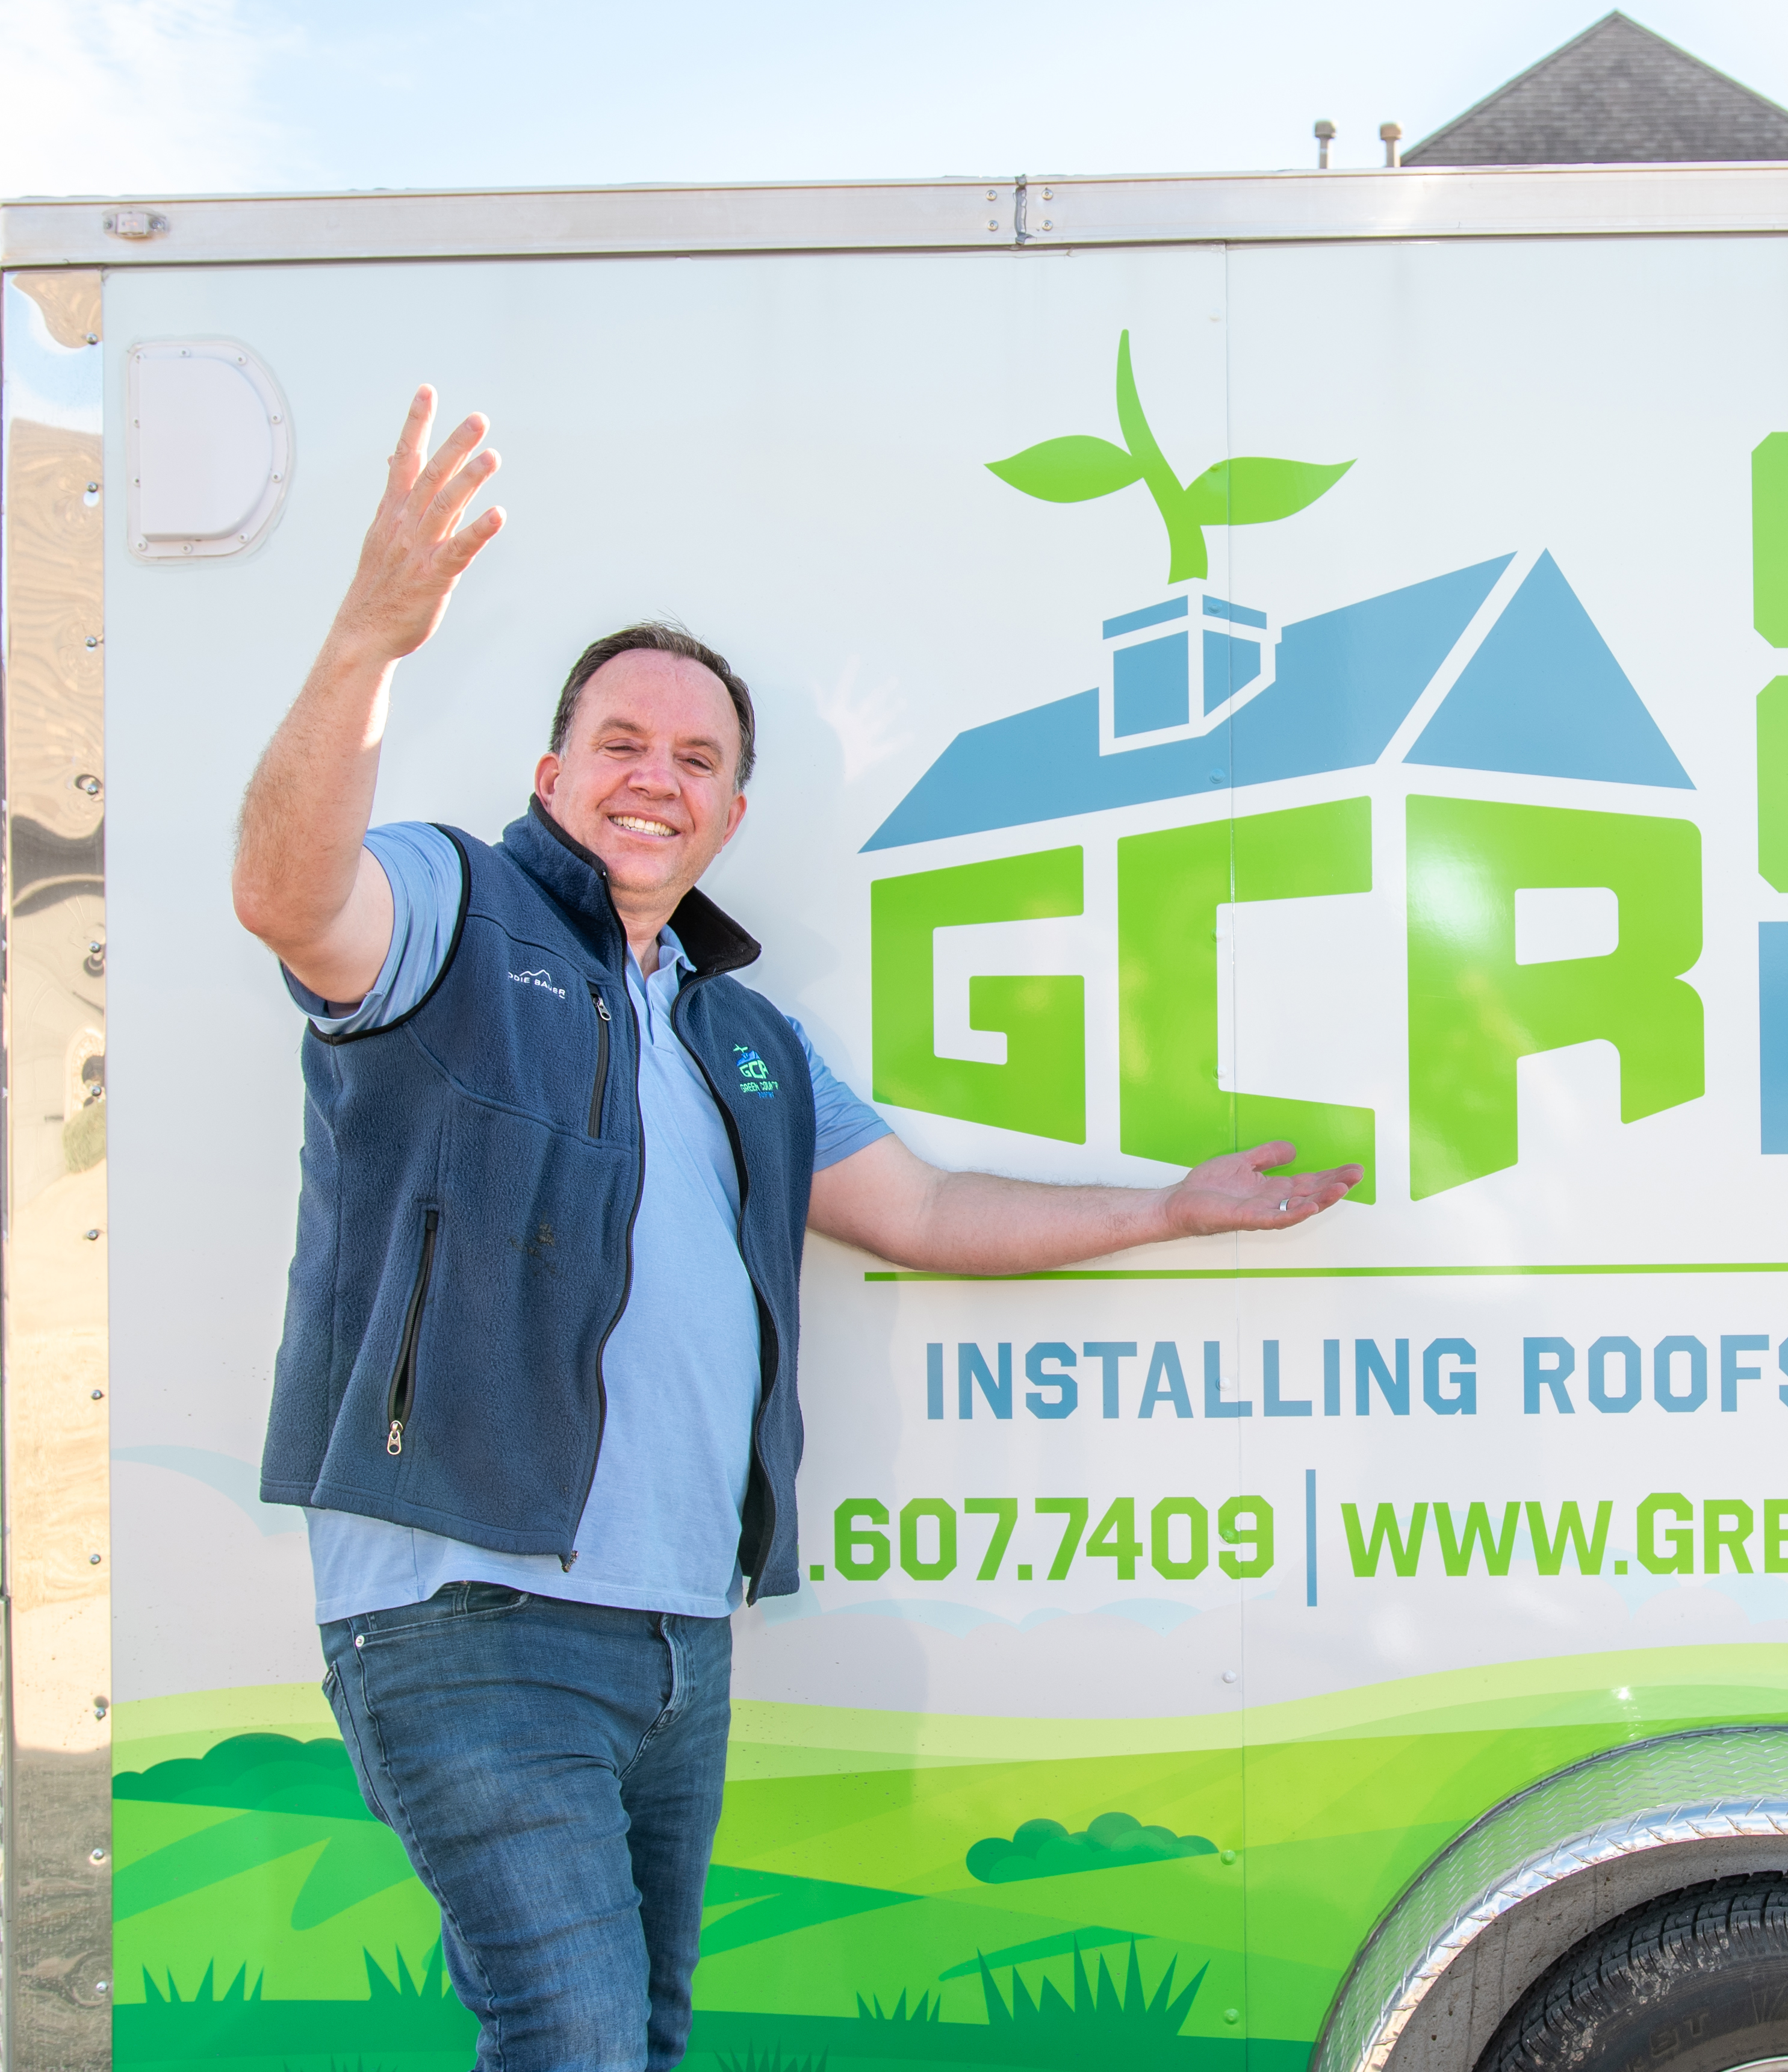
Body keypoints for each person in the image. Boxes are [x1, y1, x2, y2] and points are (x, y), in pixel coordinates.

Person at [229, 389, 1357, 2072]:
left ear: (732, 817)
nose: (655, 780)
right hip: (473, 1610)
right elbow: (288, 895)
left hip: (677, 1634)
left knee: (632, 2044)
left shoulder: (737, 1033)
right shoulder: (455, 916)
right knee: (579, 2039)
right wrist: (370, 640)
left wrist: (1169, 1214)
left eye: (697, 761)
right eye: (622, 743)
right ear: (552, 771)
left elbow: (920, 1208)